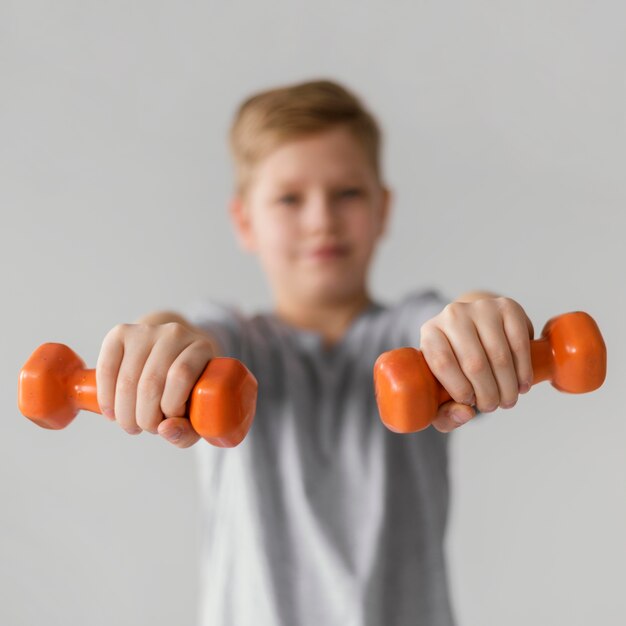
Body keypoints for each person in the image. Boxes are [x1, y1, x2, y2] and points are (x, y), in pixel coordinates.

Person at [95, 79, 535, 626]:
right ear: (244, 222)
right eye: (289, 198)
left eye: (347, 193)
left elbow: (452, 320)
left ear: (383, 210)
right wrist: (155, 337)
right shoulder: (233, 342)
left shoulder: (413, 336)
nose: (321, 218)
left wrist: (480, 318)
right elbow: (187, 333)